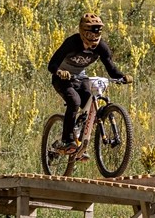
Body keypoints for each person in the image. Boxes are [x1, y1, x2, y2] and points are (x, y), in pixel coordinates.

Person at [47, 12, 131, 152]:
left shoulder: (101, 47)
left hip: (80, 77)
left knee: (91, 103)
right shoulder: (71, 43)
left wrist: (122, 77)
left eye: (97, 35)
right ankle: (66, 140)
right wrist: (60, 72)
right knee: (75, 101)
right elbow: (52, 64)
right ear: (82, 32)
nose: (94, 39)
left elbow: (111, 68)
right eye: (90, 35)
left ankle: (80, 139)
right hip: (62, 79)